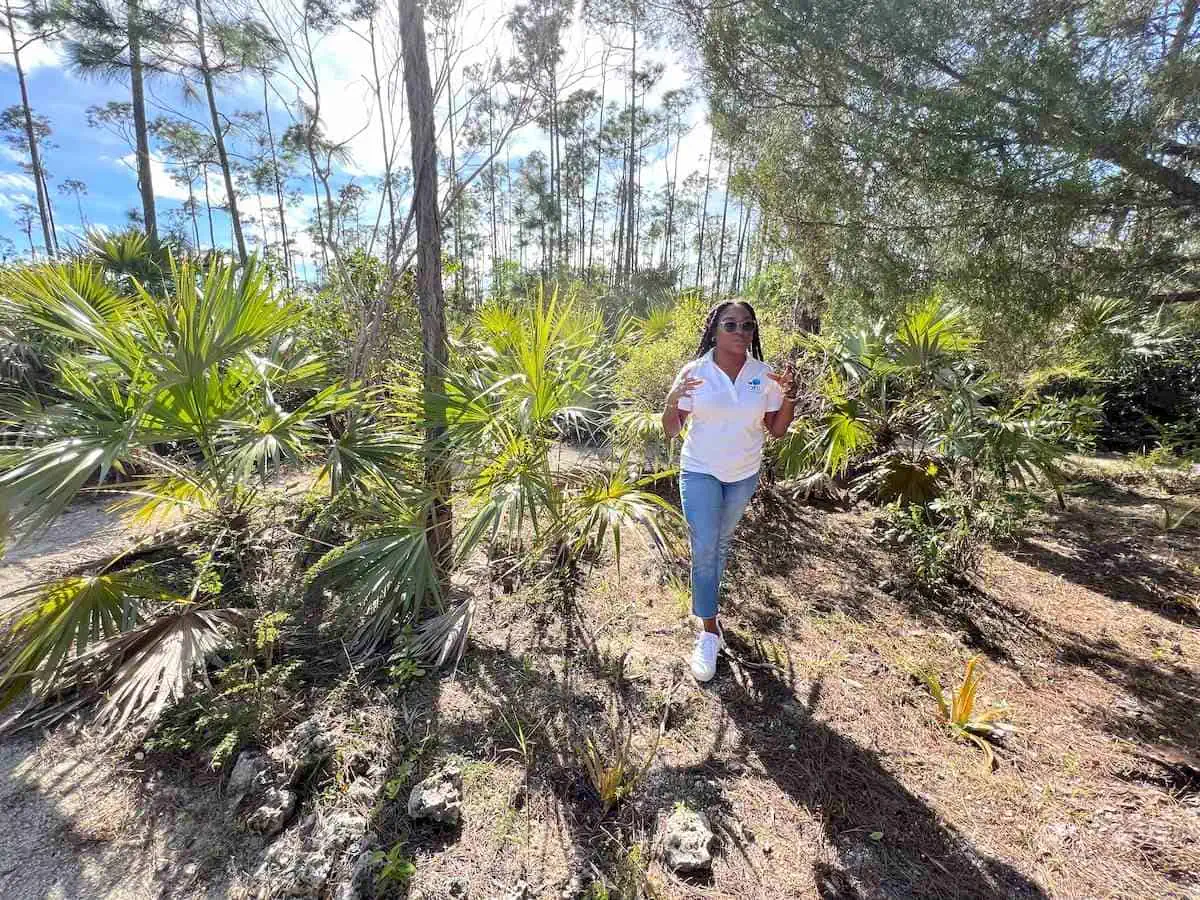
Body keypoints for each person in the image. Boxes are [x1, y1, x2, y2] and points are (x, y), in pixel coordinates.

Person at [662, 300, 796, 682]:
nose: (741, 332)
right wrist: (673, 398)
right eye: (731, 324)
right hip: (700, 470)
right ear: (715, 330)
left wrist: (789, 397)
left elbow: (778, 429)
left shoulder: (764, 374)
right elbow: (671, 429)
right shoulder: (695, 372)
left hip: (743, 475)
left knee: (720, 543)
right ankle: (708, 631)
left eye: (747, 325)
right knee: (705, 546)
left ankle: (707, 605)